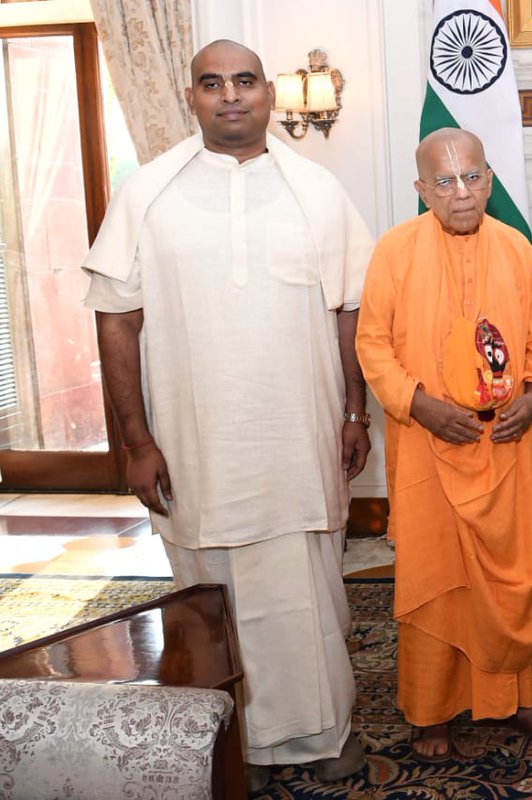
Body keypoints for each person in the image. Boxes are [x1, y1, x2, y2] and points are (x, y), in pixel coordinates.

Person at [83, 40, 374, 792]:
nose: (231, 95)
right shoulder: (147, 192)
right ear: (191, 98)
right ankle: (224, 739)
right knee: (209, 590)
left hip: (298, 435)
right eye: (212, 84)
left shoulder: (316, 190)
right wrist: (137, 440)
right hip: (194, 438)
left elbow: (350, 311)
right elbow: (116, 318)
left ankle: (319, 734)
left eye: (244, 81)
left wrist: (355, 410)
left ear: (269, 94)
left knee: (303, 588)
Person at [355, 127, 532, 760]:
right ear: (421, 190)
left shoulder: (517, 247)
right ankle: (431, 709)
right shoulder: (394, 251)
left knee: (510, 578)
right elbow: (372, 345)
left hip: (505, 442)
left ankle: (513, 699)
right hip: (427, 444)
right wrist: (421, 406)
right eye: (443, 182)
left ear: (490, 182)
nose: (461, 193)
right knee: (435, 577)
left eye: (471, 177)